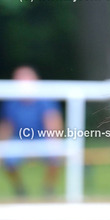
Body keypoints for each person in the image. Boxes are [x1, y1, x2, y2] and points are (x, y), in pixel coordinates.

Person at [0, 66, 63, 197]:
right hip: (19, 138)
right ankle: (20, 189)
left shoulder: (45, 100)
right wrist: (4, 146)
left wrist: (53, 143)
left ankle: (48, 189)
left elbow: (52, 123)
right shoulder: (11, 103)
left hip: (42, 137)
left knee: (55, 155)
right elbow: (7, 126)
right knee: (7, 158)